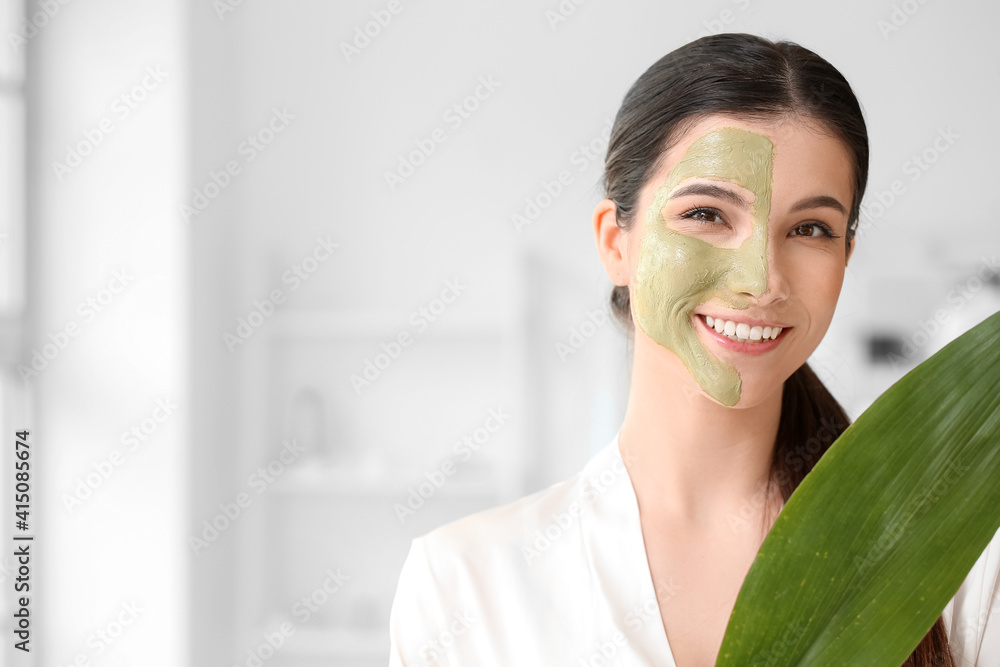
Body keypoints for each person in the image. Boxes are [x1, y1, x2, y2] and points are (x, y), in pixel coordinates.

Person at [387, 33, 1000, 666]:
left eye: (810, 228)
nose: (762, 281)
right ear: (614, 243)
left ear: (846, 254)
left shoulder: (966, 562)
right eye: (707, 214)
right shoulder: (464, 587)